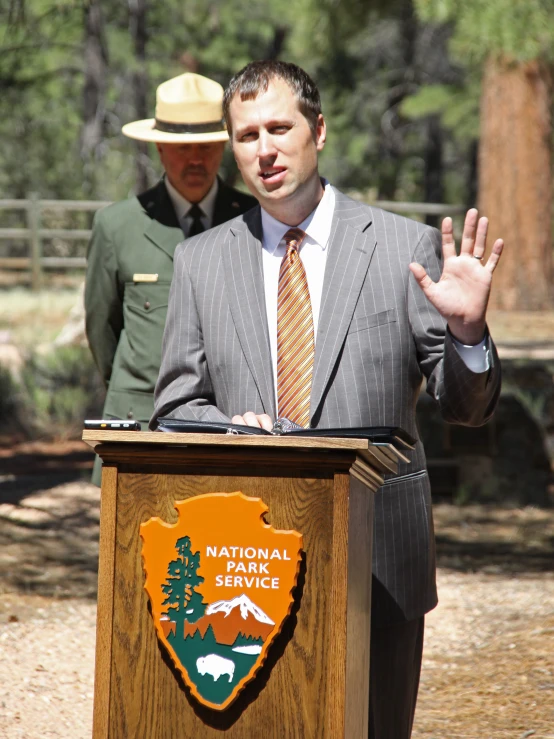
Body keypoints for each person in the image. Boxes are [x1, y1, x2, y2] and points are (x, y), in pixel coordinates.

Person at [151, 61, 503, 737]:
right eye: (247, 134)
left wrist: (465, 332)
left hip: (378, 564)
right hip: (242, 565)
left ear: (318, 130)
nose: (264, 149)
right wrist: (227, 427)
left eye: (279, 127)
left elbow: (467, 408)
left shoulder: (404, 247)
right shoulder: (200, 262)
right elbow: (175, 407)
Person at [85, 72, 256, 484]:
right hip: (140, 427)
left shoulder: (254, 221)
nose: (194, 158)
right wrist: (140, 384)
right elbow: (101, 329)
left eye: (207, 145)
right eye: (182, 148)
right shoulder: (118, 225)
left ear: (225, 146)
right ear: (159, 147)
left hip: (232, 426)